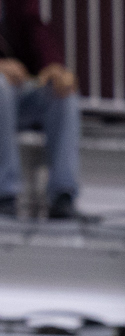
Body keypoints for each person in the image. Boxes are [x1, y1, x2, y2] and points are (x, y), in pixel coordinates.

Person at [0, 3, 80, 219]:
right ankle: (4, 193)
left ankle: (63, 194)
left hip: (15, 97)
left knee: (63, 94)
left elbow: (35, 27)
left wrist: (54, 66)